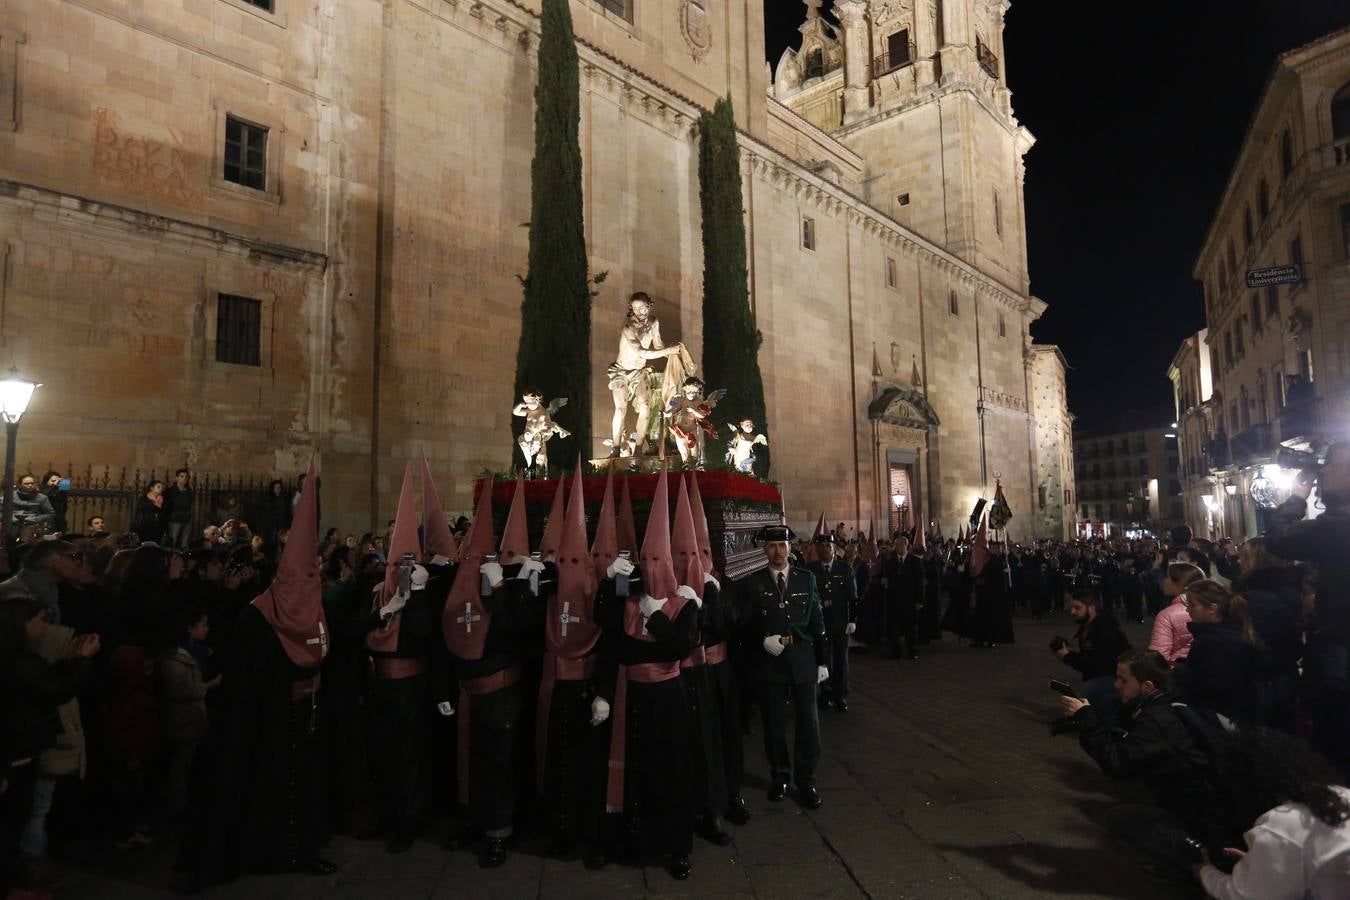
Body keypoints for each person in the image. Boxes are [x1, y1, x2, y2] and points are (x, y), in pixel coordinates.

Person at [176, 460, 335, 886]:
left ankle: (303, 847)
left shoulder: (315, 610)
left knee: (304, 786)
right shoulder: (257, 616)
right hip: (266, 720)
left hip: (307, 713)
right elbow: (244, 669)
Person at [596, 469, 698, 880]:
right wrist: (609, 583)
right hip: (633, 698)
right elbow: (606, 631)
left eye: (660, 560)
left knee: (672, 773)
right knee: (638, 772)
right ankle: (638, 842)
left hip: (668, 700)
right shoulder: (628, 604)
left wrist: (657, 619)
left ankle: (676, 848)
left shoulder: (684, 604)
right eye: (647, 560)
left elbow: (680, 647)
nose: (652, 567)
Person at [1059, 649, 1232, 884]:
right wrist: (1088, 715)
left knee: (1121, 818)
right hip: (1203, 802)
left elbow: (1117, 763)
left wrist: (1087, 722)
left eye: (1123, 680)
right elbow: (1124, 738)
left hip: (1204, 815)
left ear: (1148, 686)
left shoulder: (1158, 720)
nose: (1116, 685)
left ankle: (1198, 863)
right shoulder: (1167, 701)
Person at [0, 595, 99, 897]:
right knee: (13, 819)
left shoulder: (18, 658)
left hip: (19, 747)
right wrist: (81, 661)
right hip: (14, 751)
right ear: (22, 624)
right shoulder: (17, 660)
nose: (44, 626)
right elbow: (55, 690)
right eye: (40, 619)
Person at [1264, 440, 1350, 776]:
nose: (1323, 469)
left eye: (1332, 463)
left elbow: (1279, 539)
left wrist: (1297, 498)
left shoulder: (1338, 526)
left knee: (1333, 746)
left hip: (1341, 654)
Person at [1193, 728, 1350, 899]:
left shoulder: (1280, 826)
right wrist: (1263, 863)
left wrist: (1205, 872)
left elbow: (1244, 896)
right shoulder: (1341, 793)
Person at [738, 524, 827, 810]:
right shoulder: (754, 583)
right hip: (771, 663)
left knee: (808, 725)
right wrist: (761, 640)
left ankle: (807, 780)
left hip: (802, 659)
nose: (778, 551)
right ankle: (780, 776)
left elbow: (817, 622)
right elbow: (744, 626)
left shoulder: (806, 579)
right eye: (773, 546)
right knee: (774, 725)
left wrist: (822, 660)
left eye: (783, 545)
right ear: (765, 549)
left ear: (791, 548)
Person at [1232, 537, 1303, 732]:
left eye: (1244, 557)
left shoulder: (1256, 599)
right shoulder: (1291, 589)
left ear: (1258, 561)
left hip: (1264, 685)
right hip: (1283, 681)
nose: (1239, 562)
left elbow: (1250, 644)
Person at [157, 604, 221, 819]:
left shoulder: (192, 654)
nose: (207, 629)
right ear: (189, 628)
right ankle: (177, 807)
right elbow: (181, 690)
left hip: (190, 719)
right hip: (183, 720)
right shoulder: (175, 658)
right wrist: (210, 685)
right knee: (180, 765)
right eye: (203, 625)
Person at [1174, 579, 1262, 725]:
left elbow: (1211, 686)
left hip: (1220, 717)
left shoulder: (1212, 642)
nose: (1188, 610)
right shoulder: (1233, 631)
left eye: (1192, 605)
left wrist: (1182, 673)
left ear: (1212, 609)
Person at [1053, 590, 1131, 711]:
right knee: (1089, 689)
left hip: (1119, 677)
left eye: (1077, 608)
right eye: (1072, 607)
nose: (1072, 611)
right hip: (1108, 673)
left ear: (1091, 608)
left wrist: (1067, 656)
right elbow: (1090, 659)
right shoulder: (1090, 625)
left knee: (1090, 689)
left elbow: (1097, 665)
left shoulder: (1104, 630)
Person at [808, 533, 857, 710]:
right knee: (823, 660)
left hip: (840, 622)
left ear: (834, 549)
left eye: (828, 546)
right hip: (820, 623)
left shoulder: (844, 568)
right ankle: (825, 693)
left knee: (841, 661)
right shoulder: (811, 569)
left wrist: (852, 619)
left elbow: (852, 596)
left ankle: (841, 694)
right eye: (820, 546)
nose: (824, 549)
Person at [1148, 562, 1207, 663]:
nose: (1164, 580)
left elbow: (1159, 656)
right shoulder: (1211, 607)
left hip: (1178, 670)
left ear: (1179, 583)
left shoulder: (1167, 615)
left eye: (1167, 577)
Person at [883, 536, 924, 659]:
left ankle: (913, 651)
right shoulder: (890, 561)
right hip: (894, 600)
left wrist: (919, 600)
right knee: (894, 627)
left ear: (907, 546)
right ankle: (896, 651)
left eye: (902, 544)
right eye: (897, 545)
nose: (899, 547)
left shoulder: (915, 561)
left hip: (910, 600)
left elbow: (919, 582)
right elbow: (887, 579)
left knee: (910, 627)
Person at [132, 480, 166, 545]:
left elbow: (164, 513)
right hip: (145, 525)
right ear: (151, 488)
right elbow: (139, 512)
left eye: (162, 487)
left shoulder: (163, 499)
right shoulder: (144, 498)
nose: (161, 489)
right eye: (158, 487)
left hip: (157, 526)